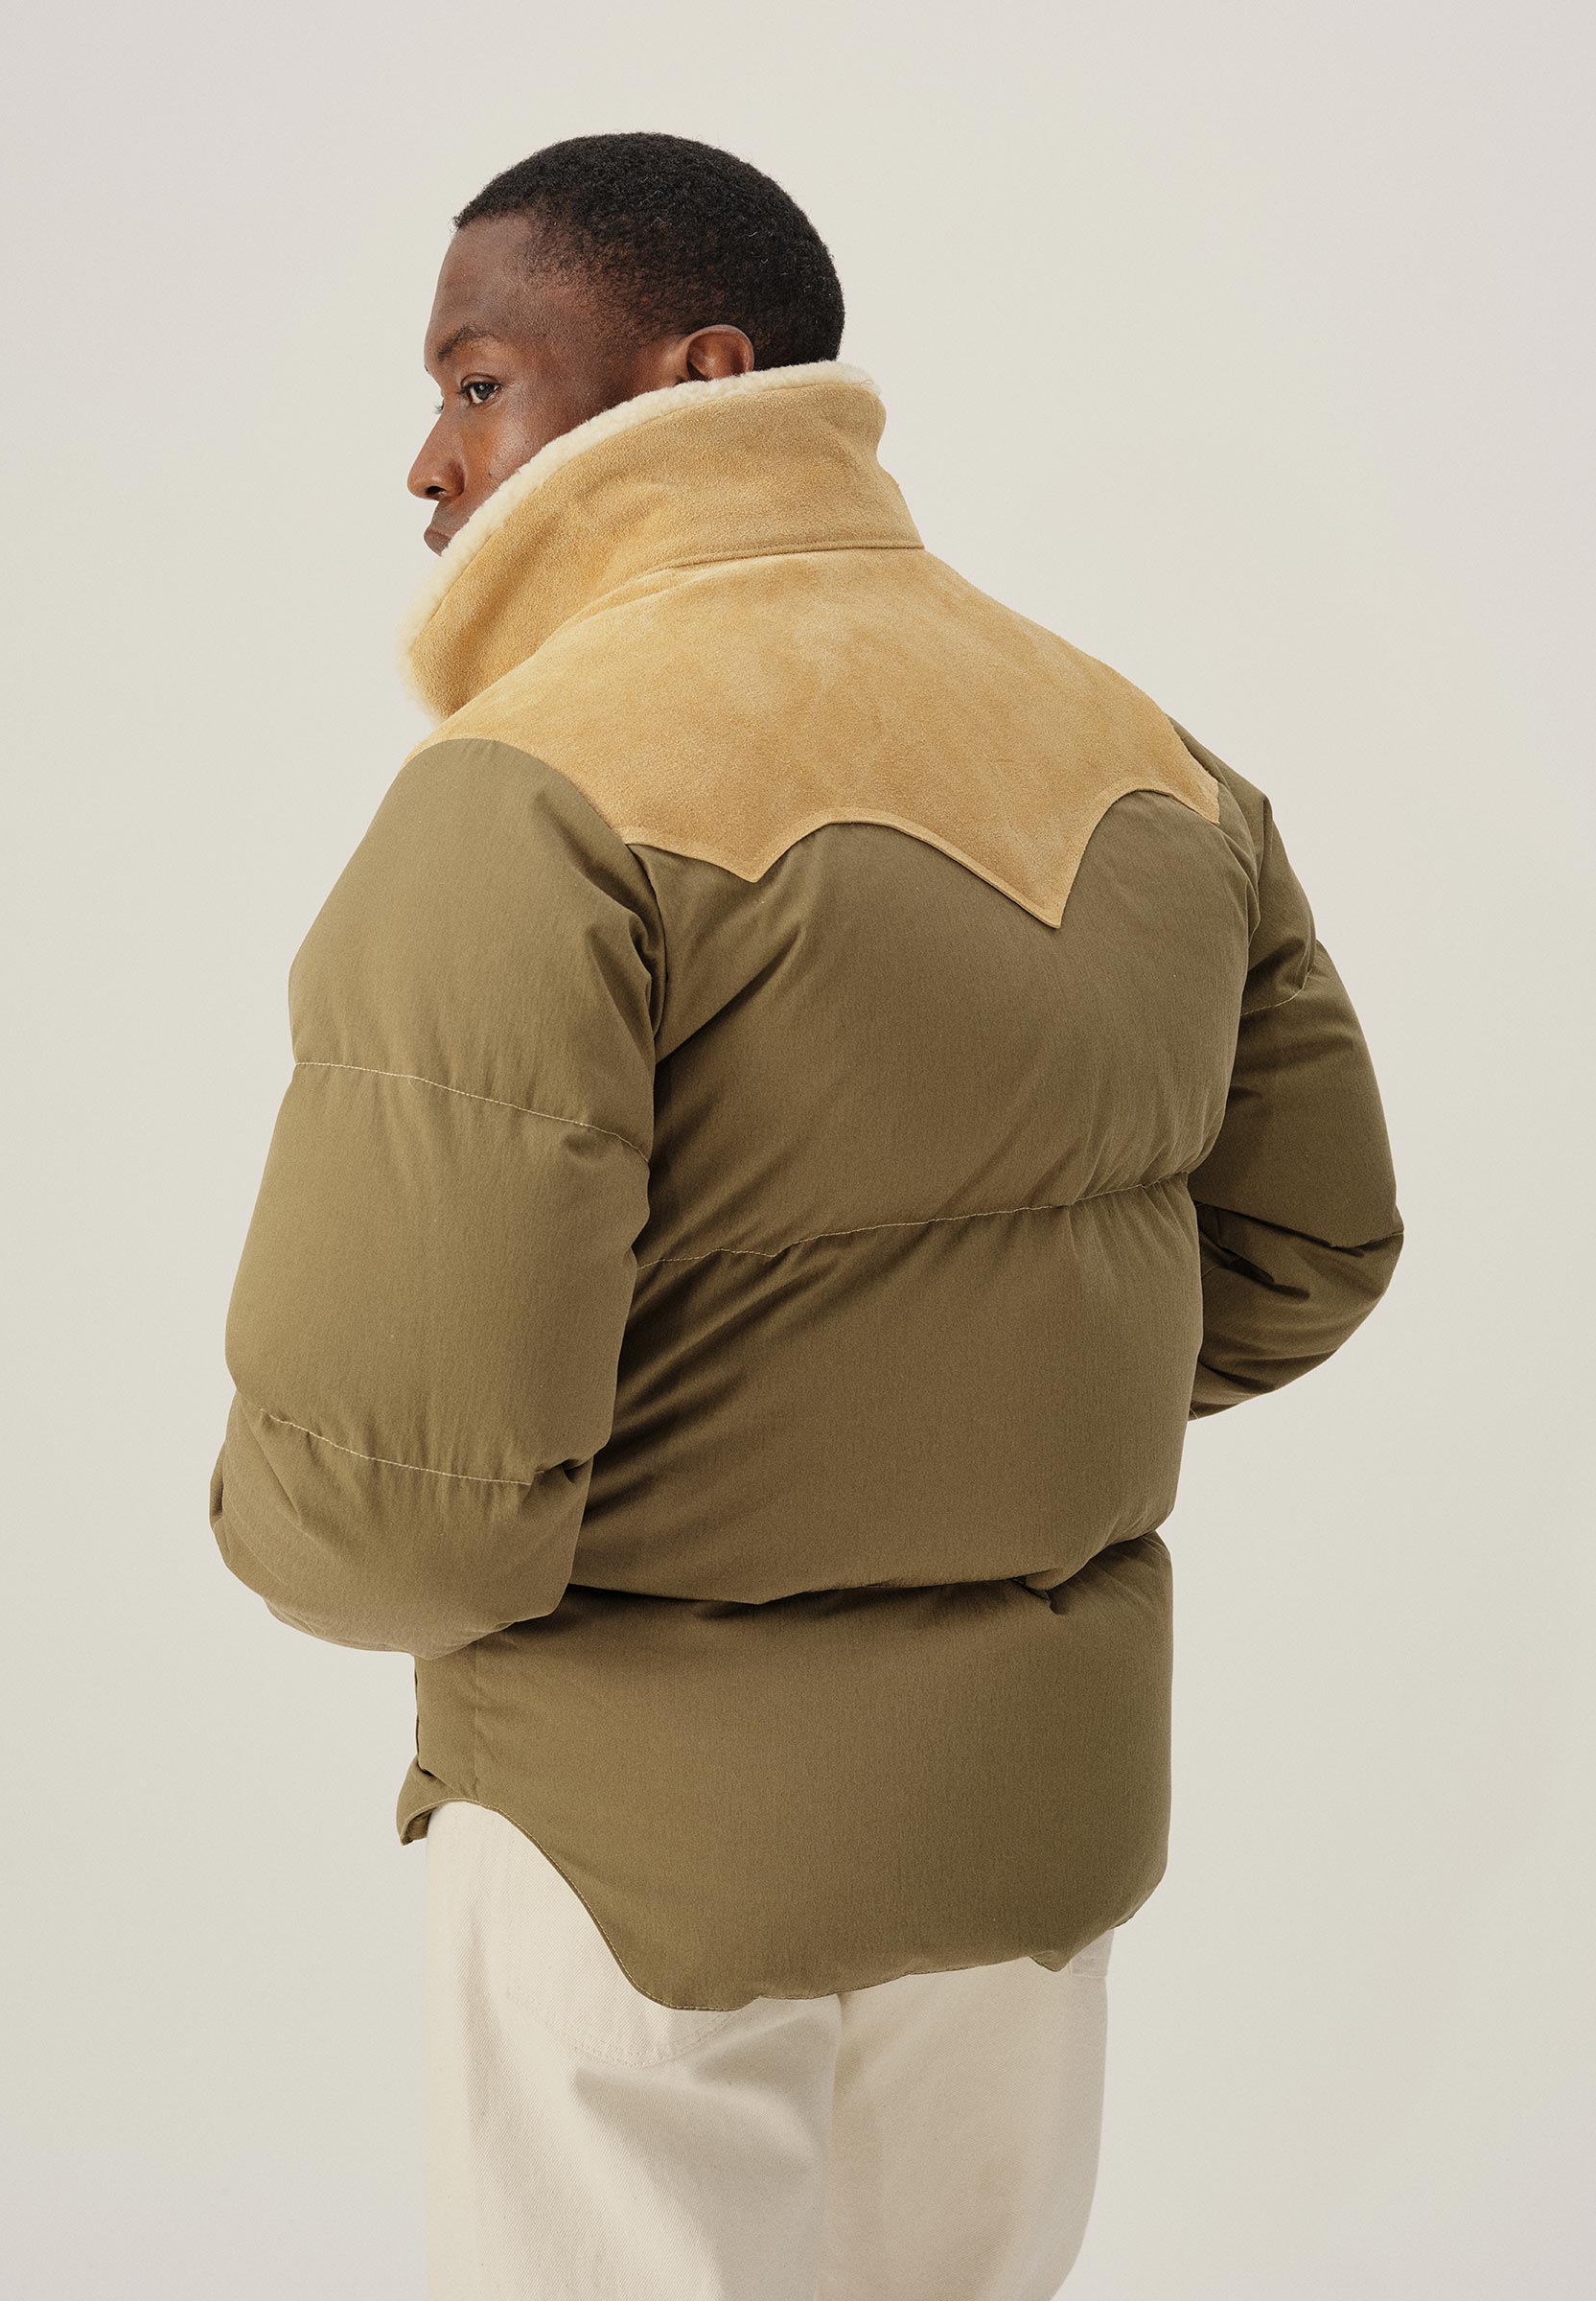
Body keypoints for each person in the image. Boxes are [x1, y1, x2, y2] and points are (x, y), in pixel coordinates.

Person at [208, 130, 1403, 2301]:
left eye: (476, 382)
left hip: (627, 1856)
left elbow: (390, 1518)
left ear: (700, 370)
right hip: (1028, 1834)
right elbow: (1309, 1248)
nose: (429, 461)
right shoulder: (1146, 754)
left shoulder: (534, 793)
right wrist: (963, 1445)